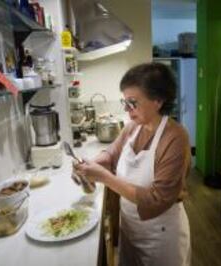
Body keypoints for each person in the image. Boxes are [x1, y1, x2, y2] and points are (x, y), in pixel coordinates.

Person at [73, 62, 191, 266]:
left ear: (158, 101)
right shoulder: (133, 128)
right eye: (125, 102)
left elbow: (157, 199)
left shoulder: (175, 138)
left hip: (161, 237)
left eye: (133, 102)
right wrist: (90, 164)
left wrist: (103, 177)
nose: (127, 109)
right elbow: (111, 154)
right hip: (130, 230)